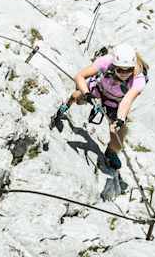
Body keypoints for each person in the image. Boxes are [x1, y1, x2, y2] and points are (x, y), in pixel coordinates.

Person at [54, 43, 147, 173]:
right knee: (77, 96)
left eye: (128, 70)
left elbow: (127, 100)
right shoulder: (106, 62)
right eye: (120, 69)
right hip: (98, 90)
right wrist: (86, 93)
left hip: (116, 103)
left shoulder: (138, 79)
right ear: (114, 65)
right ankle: (65, 106)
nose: (124, 74)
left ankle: (111, 152)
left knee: (119, 134)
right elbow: (79, 76)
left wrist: (120, 120)